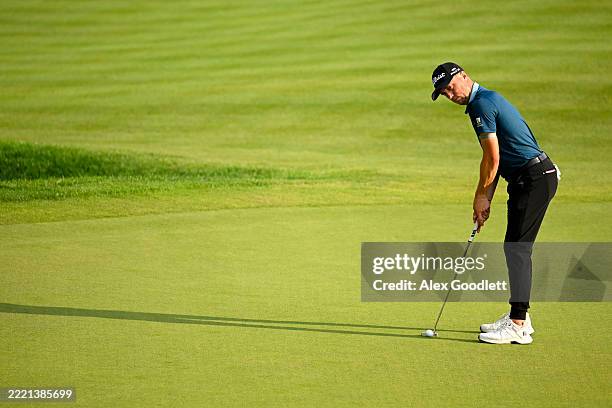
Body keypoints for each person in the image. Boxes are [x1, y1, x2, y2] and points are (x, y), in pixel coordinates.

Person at [430, 62, 559, 344]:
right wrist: (486, 198)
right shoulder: (486, 100)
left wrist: (479, 195)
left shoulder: (481, 105)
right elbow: (498, 159)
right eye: (444, 93)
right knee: (515, 247)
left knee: (517, 249)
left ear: (464, 76)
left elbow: (492, 159)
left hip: (534, 178)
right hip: (530, 177)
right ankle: (520, 315)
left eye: (451, 87)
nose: (451, 95)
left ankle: (518, 324)